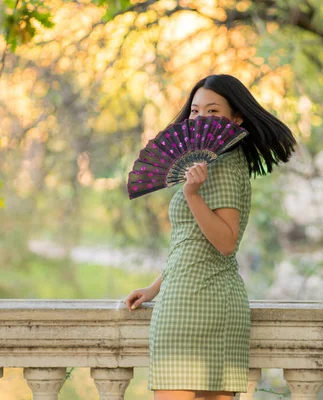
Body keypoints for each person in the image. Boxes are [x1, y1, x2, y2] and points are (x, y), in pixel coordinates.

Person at [125, 74, 297, 400]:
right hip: (198, 295)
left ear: (236, 118)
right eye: (195, 111)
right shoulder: (209, 163)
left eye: (213, 111)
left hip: (193, 304)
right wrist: (154, 287)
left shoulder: (226, 164)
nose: (201, 119)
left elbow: (226, 242)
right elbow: (192, 242)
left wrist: (191, 194)